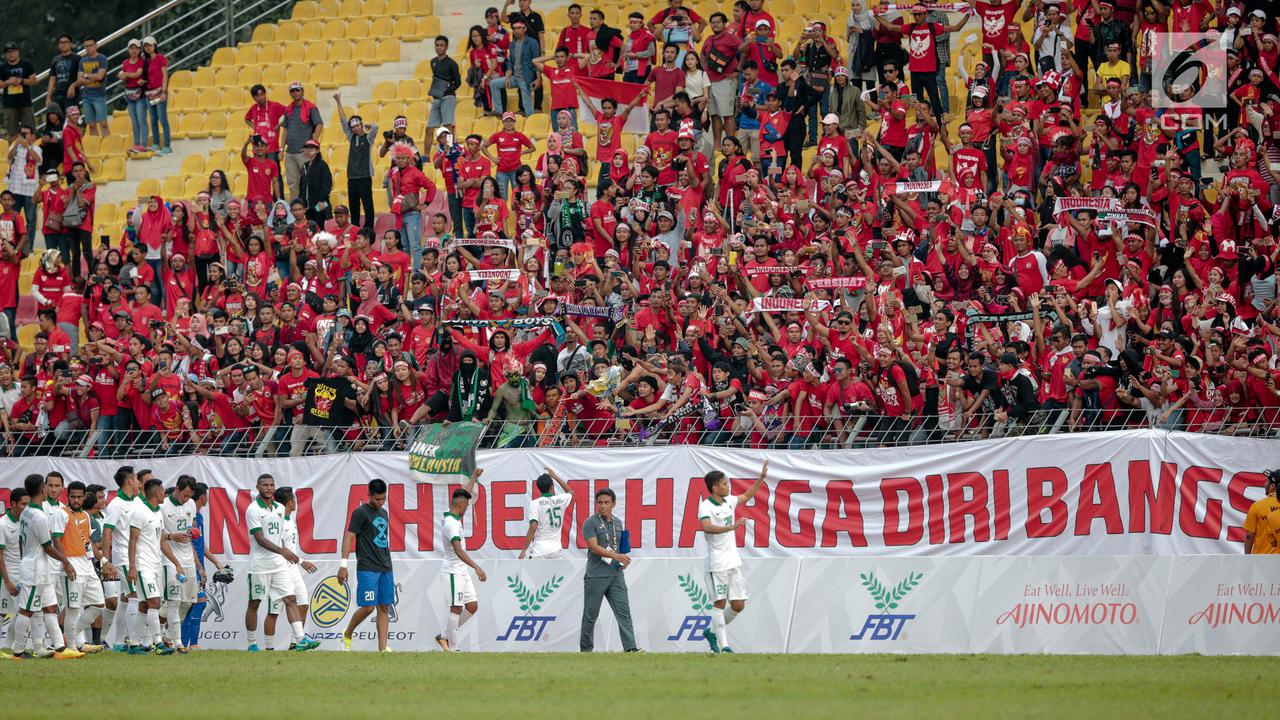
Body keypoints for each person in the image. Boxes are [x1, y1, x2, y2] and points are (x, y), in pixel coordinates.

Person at [10, 474, 84, 659]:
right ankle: (18, 650)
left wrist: (24, 559)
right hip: (35, 568)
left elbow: (21, 540)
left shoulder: (27, 511)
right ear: (42, 489)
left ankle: (59, 648)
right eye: (46, 486)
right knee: (26, 610)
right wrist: (65, 560)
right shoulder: (39, 516)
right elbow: (48, 546)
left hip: (38, 567)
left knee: (50, 607)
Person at [698, 460, 768, 653]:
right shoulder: (706, 507)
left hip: (733, 561)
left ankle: (712, 633)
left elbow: (747, 495)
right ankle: (724, 646)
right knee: (719, 603)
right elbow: (707, 527)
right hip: (717, 563)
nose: (728, 486)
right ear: (715, 487)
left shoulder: (729, 501)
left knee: (738, 605)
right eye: (724, 484)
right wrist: (731, 527)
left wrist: (761, 478)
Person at [243, 473, 306, 652]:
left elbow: (281, 536)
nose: (269, 488)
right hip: (260, 564)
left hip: (279, 564)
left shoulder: (279, 508)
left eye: (271, 485)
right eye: (265, 485)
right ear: (258, 487)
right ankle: (252, 643)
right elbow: (259, 538)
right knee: (255, 603)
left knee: (291, 599)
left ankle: (300, 639)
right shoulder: (253, 509)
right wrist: (282, 551)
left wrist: (286, 552)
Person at [580, 487, 640, 653]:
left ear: (614, 503)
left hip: (615, 575)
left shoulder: (618, 523)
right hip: (596, 575)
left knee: (624, 613)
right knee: (590, 616)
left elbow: (622, 549)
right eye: (599, 502)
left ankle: (630, 648)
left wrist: (623, 561)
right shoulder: (590, 522)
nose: (602, 506)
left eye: (606, 502)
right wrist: (616, 556)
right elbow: (593, 547)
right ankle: (585, 651)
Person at [126, 475, 181, 654]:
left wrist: (176, 562)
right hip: (143, 566)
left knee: (144, 605)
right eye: (163, 490)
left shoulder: (157, 512)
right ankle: (158, 643)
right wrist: (132, 567)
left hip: (156, 564)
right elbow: (132, 540)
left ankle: (134, 644)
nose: (165, 493)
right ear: (157, 492)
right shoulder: (140, 512)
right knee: (155, 602)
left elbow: (161, 540)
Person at [338, 478, 393, 652]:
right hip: (367, 567)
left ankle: (383, 650)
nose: (380, 502)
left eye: (383, 498)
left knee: (384, 607)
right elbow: (349, 537)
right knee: (368, 607)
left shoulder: (384, 513)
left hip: (386, 566)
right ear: (368, 495)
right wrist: (343, 565)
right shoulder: (360, 512)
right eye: (377, 499)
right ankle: (347, 633)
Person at [435, 467, 486, 652]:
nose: (467, 508)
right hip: (452, 571)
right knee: (456, 607)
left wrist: (473, 477)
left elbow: (465, 495)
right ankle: (454, 649)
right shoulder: (451, 525)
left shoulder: (452, 513)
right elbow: (458, 550)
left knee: (472, 606)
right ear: (461, 506)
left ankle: (444, 636)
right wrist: (477, 567)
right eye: (466, 506)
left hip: (461, 571)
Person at [264, 486, 319, 651]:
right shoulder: (277, 521)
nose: (295, 502)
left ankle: (296, 643)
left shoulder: (290, 519)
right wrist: (302, 561)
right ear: (289, 502)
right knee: (274, 611)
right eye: (294, 500)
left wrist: (298, 562)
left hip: (293, 569)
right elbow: (280, 548)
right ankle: (269, 649)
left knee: (303, 603)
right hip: (279, 568)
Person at [57, 480, 107, 653]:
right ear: (68, 496)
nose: (76, 500)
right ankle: (71, 647)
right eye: (73, 496)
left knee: (99, 605)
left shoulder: (86, 516)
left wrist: (101, 562)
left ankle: (68, 637)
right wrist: (65, 562)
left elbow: (86, 542)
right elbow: (56, 540)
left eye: (79, 496)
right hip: (71, 564)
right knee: (72, 609)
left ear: (85, 497)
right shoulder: (61, 514)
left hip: (86, 564)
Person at [100, 465, 139, 651]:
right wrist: (106, 561)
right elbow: (107, 532)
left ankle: (118, 642)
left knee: (125, 598)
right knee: (135, 596)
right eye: (136, 478)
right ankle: (134, 641)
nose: (139, 482)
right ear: (130, 481)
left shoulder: (137, 501)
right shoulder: (115, 504)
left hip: (137, 556)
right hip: (123, 557)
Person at [159, 476, 200, 650]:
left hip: (188, 559)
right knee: (174, 602)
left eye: (189, 496)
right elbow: (159, 537)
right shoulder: (162, 507)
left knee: (188, 602)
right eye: (184, 495)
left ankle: (166, 636)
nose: (186, 499)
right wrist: (171, 536)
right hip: (170, 560)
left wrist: (193, 531)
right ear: (176, 489)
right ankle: (178, 643)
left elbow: (193, 526)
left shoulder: (190, 505)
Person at [333, 93, 377, 229]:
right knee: (354, 206)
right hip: (352, 177)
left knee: (368, 204)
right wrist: (338, 101)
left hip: (364, 176)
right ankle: (356, 228)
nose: (355, 128)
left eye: (358, 125)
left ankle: (369, 229)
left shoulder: (368, 139)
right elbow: (343, 121)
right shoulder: (351, 138)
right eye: (353, 127)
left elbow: (375, 128)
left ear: (361, 125)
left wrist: (368, 126)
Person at [519, 465, 576, 559]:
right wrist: (555, 476)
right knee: (556, 574)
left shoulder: (535, 503)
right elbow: (571, 491)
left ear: (539, 488)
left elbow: (533, 527)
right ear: (552, 486)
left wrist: (524, 550)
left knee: (533, 573)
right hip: (556, 548)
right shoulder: (560, 499)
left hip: (539, 549)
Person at [280, 81, 324, 200]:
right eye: (292, 91)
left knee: (309, 180)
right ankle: (296, 208)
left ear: (302, 91)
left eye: (297, 90)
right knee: (292, 183)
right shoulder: (289, 109)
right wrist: (281, 149)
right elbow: (285, 129)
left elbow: (319, 124)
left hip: (303, 152)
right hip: (290, 153)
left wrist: (312, 145)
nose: (295, 93)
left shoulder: (310, 107)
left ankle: (311, 207)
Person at [0, 487, 27, 656]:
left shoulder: (26, 521)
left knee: (22, 611)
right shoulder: (3, 524)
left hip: (24, 573)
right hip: (7, 573)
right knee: (3, 612)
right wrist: (7, 581)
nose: (26, 507)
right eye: (24, 504)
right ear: (13, 504)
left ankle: (8, 646)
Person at [426, 35, 461, 150]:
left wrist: (447, 90)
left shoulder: (452, 63)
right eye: (437, 45)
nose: (439, 48)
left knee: (447, 125)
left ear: (446, 47)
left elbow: (458, 82)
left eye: (441, 45)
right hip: (437, 97)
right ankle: (426, 155)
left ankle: (450, 149)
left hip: (448, 97)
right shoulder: (433, 62)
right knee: (429, 127)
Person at [70, 36, 109, 136]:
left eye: (90, 45)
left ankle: (107, 145)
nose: (88, 48)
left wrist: (86, 76)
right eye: (86, 46)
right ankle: (95, 148)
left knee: (103, 123)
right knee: (91, 125)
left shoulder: (102, 58)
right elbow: (79, 79)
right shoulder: (82, 61)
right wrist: (92, 77)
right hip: (87, 96)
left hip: (99, 94)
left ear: (96, 45)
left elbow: (100, 76)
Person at [141, 36, 171, 155]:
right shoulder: (146, 61)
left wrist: (164, 91)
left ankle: (167, 145)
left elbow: (165, 75)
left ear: (155, 46)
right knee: (153, 119)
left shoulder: (160, 58)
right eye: (146, 46)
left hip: (159, 91)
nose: (148, 48)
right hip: (149, 92)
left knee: (162, 118)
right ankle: (156, 143)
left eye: (150, 45)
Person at [1, 42, 37, 140]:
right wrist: (8, 82)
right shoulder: (2, 67)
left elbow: (34, 81)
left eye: (13, 51)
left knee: (30, 131)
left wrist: (20, 81)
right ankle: (13, 155)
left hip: (25, 103)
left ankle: (32, 154)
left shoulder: (26, 64)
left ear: (18, 52)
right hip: (9, 105)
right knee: (12, 133)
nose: (11, 54)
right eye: (8, 52)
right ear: (5, 54)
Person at [1243, 469, 1280, 555]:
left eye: (1267, 481)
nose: (1264, 484)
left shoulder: (1257, 506)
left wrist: (1247, 558)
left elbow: (1249, 536)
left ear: (1273, 486)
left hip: (1261, 559)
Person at [297, 139, 332, 225]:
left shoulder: (322, 165)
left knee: (320, 225)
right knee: (311, 227)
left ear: (317, 150)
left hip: (319, 203)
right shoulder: (305, 166)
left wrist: (322, 199)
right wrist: (301, 201)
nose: (309, 151)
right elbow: (302, 186)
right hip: (308, 205)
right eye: (307, 148)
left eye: (312, 148)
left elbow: (327, 183)